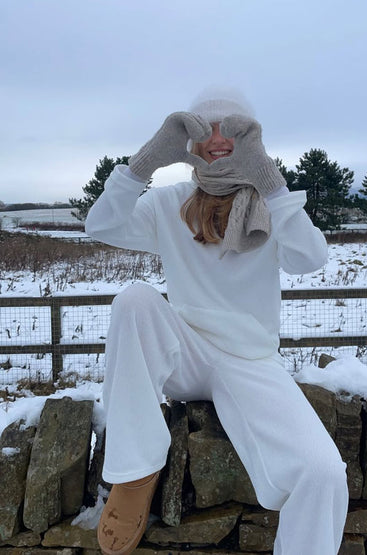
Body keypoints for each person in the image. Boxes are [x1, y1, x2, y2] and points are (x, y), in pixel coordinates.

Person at [85, 88, 349, 555]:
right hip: (184, 350)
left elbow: (310, 258)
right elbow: (101, 225)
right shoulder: (170, 203)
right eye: (205, 129)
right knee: (134, 300)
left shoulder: (271, 205)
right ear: (188, 141)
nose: (218, 138)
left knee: (323, 472)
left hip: (250, 362)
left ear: (253, 139)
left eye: (233, 129)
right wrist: (145, 163)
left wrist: (270, 181)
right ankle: (135, 473)